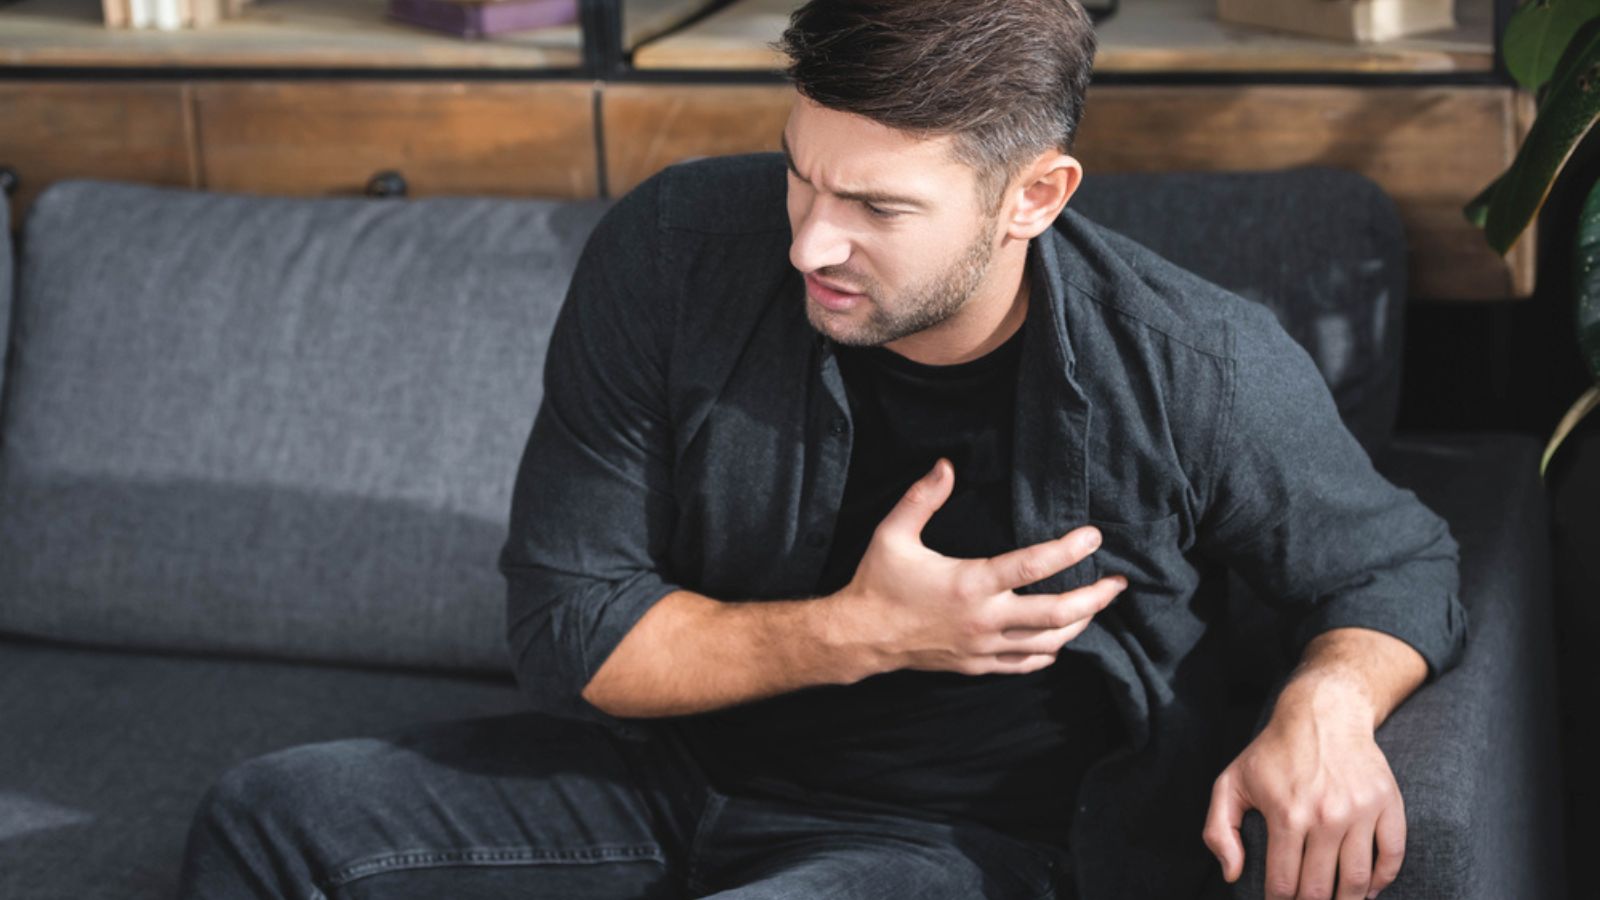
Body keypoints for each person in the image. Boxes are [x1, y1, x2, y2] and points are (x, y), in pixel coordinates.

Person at [174, 1, 1467, 898]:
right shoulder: (677, 251)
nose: (809, 242)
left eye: (876, 206)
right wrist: (867, 631)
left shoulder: (1194, 363)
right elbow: (570, 630)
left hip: (950, 845)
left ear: (1035, 196)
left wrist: (1328, 704)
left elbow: (1397, 567)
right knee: (268, 819)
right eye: (801, 173)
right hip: (670, 776)